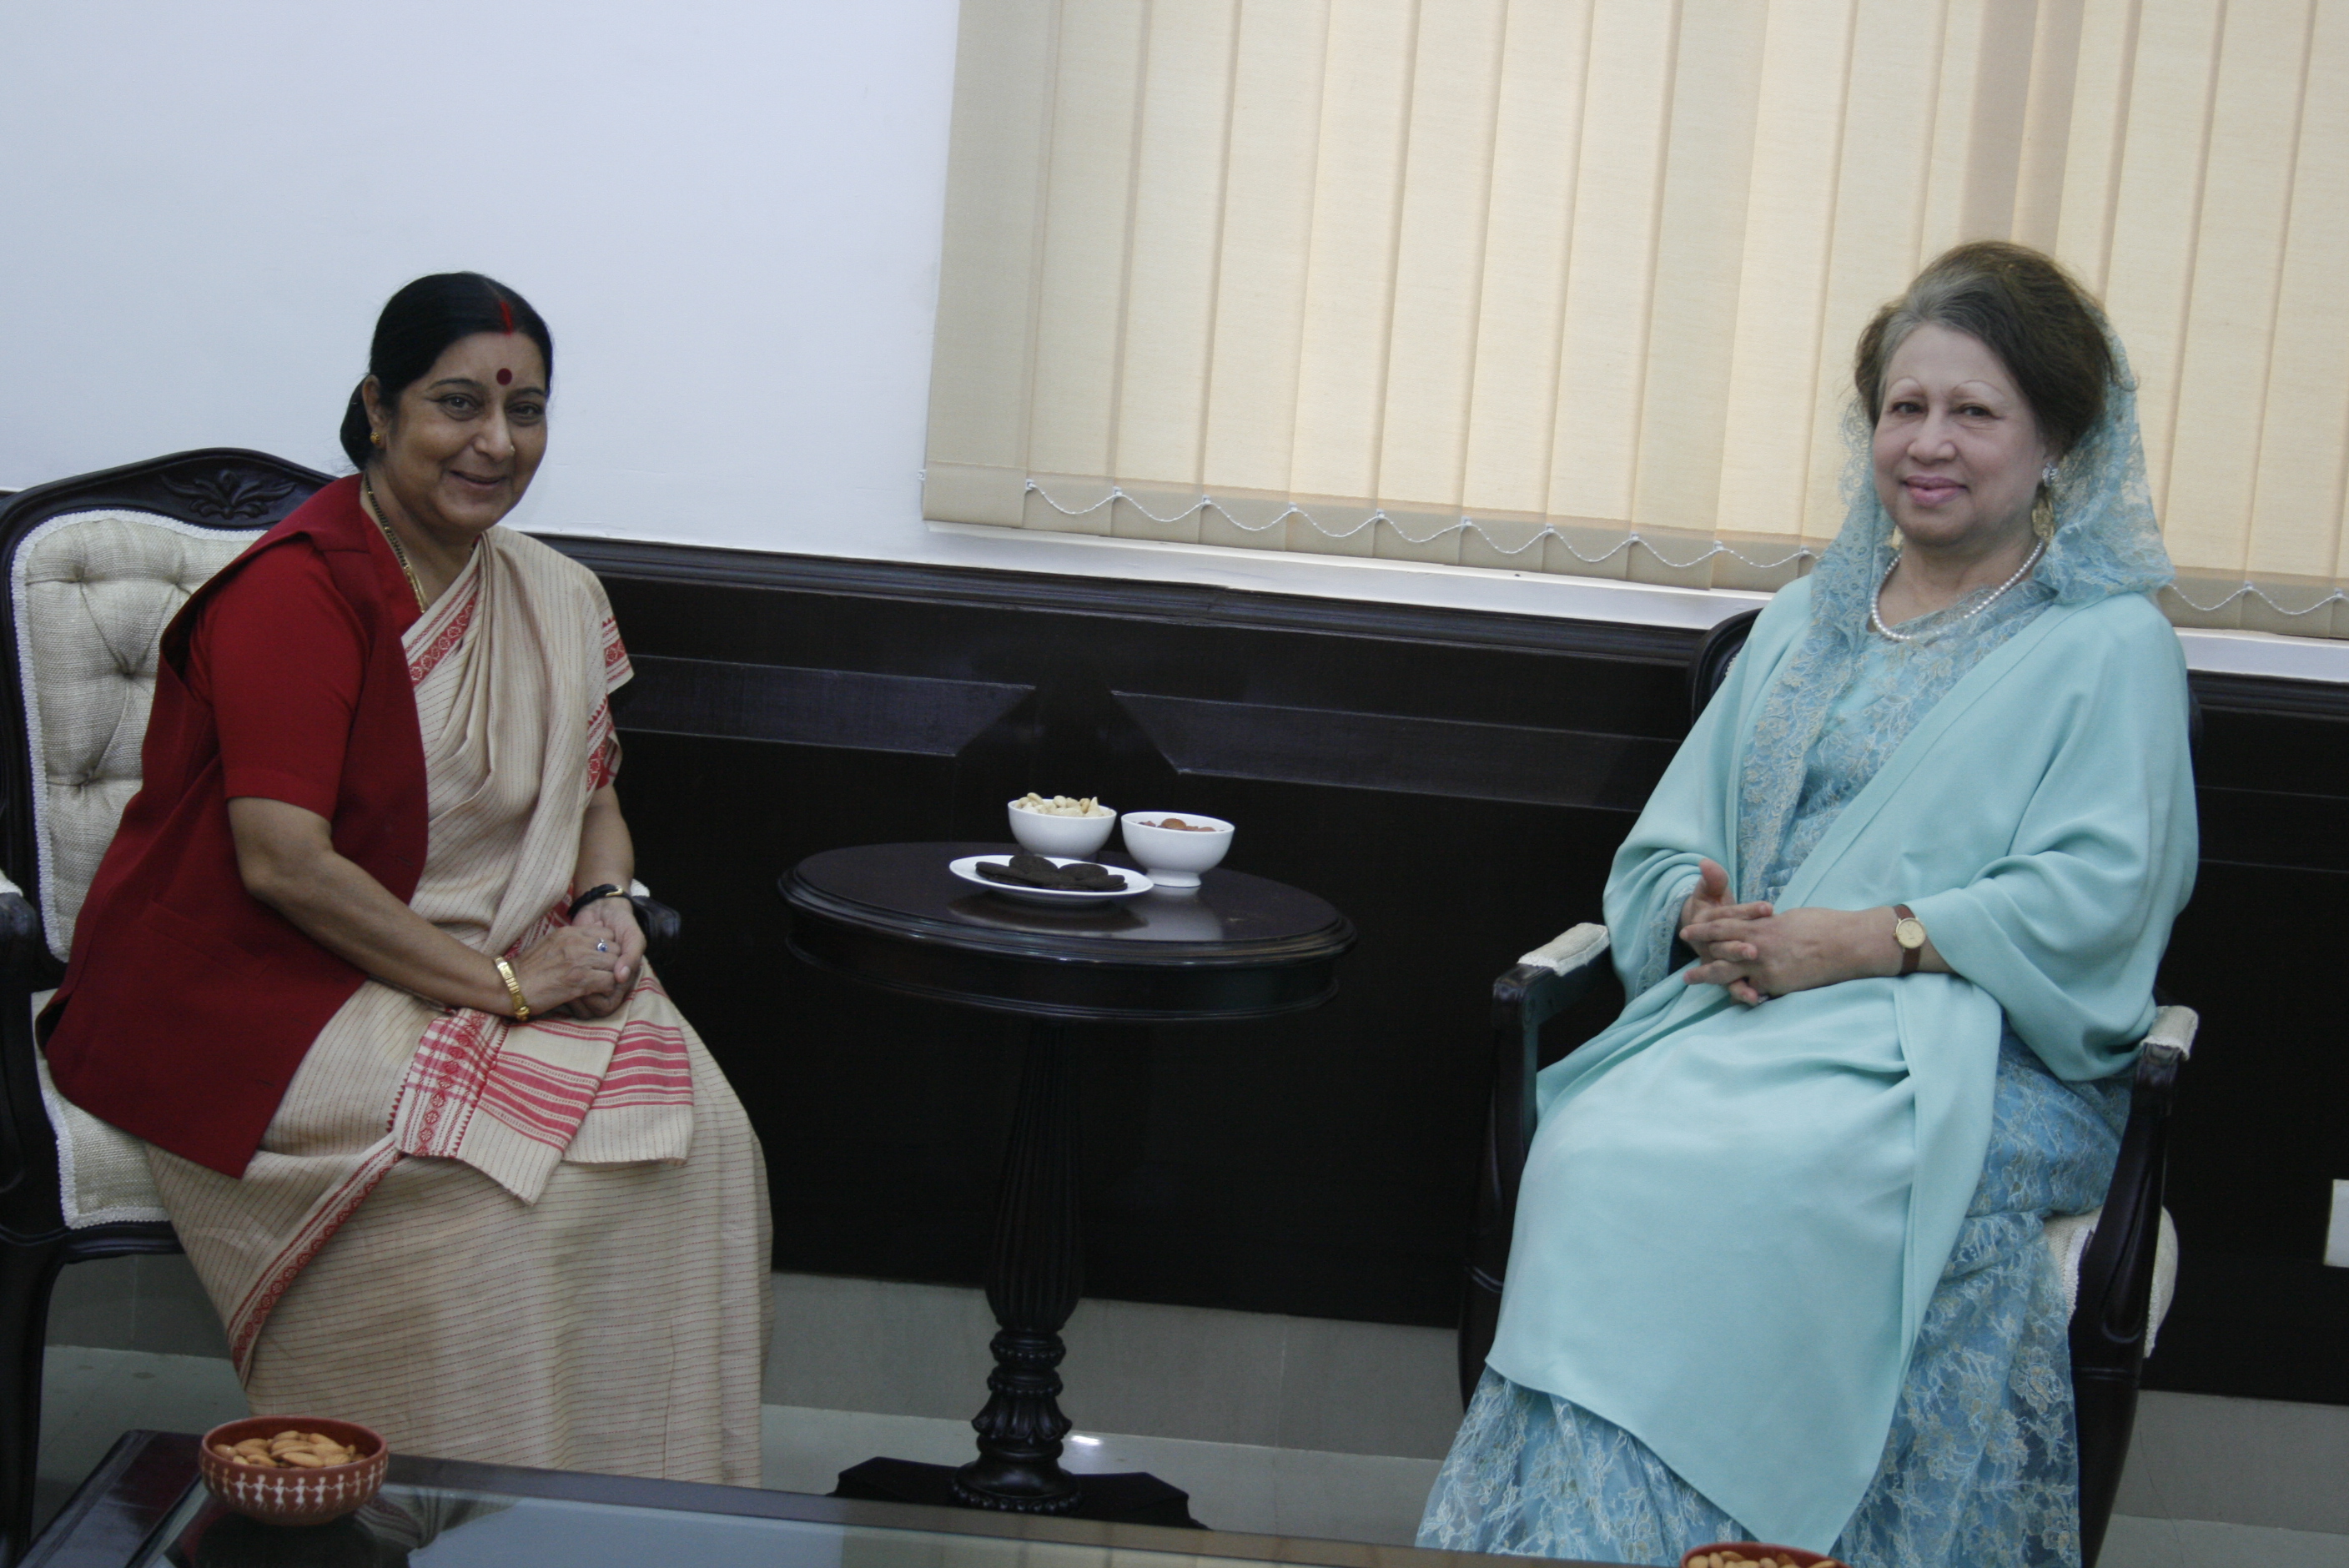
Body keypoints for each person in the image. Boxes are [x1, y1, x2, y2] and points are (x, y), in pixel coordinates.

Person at [1418, 242, 2196, 1568]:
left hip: (1979, 1047)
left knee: (1773, 1177)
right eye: (1905, 408)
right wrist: (1697, 918)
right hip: (1746, 1020)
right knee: (1603, 1150)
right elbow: (1667, 850)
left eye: (1974, 411)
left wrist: (1873, 942)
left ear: (2058, 439)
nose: (1929, 444)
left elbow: (2097, 904)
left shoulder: (2107, 645)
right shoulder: (1805, 622)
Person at [41, 273, 772, 1484]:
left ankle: (637, 1514)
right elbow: (282, 864)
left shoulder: (554, 592)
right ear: (378, 411)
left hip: (498, 950)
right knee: (489, 1181)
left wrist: (600, 910)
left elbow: (596, 803)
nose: (496, 443)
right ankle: (439, 1506)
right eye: (456, 405)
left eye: (526, 410)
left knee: (699, 1133)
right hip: (262, 981)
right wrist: (508, 986)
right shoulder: (296, 592)